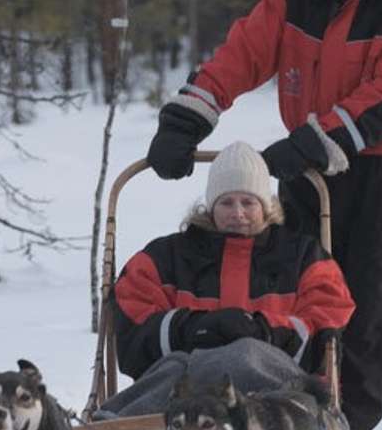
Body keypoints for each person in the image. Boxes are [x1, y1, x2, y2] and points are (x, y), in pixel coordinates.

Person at [142, 0, 382, 430]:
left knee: (371, 312)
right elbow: (243, 53)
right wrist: (187, 119)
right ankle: (287, 429)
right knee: (296, 304)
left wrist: (314, 138)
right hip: (307, 175)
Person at [111, 142, 355, 378]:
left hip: (278, 390)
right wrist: (194, 327)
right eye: (226, 203)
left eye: (248, 202)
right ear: (211, 208)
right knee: (170, 374)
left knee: (251, 359)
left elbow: (326, 325)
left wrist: (264, 333)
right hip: (184, 388)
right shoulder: (165, 258)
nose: (238, 213)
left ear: (266, 207)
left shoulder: (304, 257)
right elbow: (134, 331)